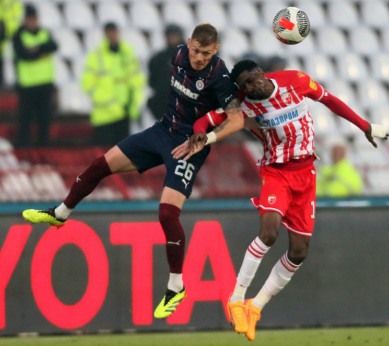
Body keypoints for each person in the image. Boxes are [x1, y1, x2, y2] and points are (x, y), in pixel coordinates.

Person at [22, 23, 244, 319]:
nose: (199, 57)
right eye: (195, 50)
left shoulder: (220, 76)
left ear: (215, 50)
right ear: (187, 43)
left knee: (167, 214)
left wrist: (208, 137)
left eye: (206, 53)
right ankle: (61, 213)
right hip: (161, 131)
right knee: (101, 165)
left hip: (190, 145)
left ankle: (176, 286)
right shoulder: (177, 56)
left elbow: (237, 120)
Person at [173, 59, 389, 340]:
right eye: (245, 85)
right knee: (269, 232)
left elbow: (330, 100)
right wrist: (200, 131)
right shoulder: (240, 103)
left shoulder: (295, 80)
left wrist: (364, 125)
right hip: (276, 173)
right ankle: (236, 299)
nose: (251, 87)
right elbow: (206, 119)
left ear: (262, 74)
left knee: (299, 252)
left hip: (306, 174)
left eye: (253, 80)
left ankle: (255, 307)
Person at [81, 22, 145, 146]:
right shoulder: (96, 56)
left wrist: (134, 105)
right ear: (105, 34)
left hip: (124, 113)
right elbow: (88, 85)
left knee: (121, 157)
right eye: (109, 32)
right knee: (104, 158)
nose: (112, 36)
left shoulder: (127, 53)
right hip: (104, 115)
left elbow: (136, 80)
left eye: (114, 32)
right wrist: (110, 103)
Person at [12, 4, 57, 147]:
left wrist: (35, 50)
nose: (32, 21)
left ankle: (43, 152)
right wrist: (42, 49)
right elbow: (23, 55)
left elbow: (54, 46)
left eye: (34, 18)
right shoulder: (18, 35)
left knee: (44, 121)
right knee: (25, 122)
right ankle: (24, 153)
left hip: (45, 84)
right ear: (25, 20)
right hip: (27, 86)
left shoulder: (44, 32)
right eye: (30, 19)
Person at [147, 23, 185, 120]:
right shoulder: (158, 58)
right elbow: (153, 82)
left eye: (175, 36)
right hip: (165, 103)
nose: (172, 39)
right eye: (170, 36)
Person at [0, 0, 23, 87]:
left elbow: (18, 16)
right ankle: (2, 83)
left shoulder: (13, 2)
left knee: (16, 59)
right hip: (3, 36)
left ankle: (18, 82)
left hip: (14, 34)